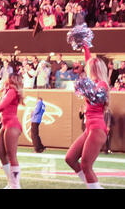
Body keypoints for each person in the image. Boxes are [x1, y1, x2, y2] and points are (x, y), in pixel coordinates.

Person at [65, 45, 110, 189]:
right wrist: (85, 46)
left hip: (97, 128)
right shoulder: (92, 82)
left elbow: (99, 96)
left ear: (94, 70)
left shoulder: (102, 84)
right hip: (89, 128)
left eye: (89, 67)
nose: (86, 69)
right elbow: (89, 59)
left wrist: (87, 90)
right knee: (70, 158)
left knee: (86, 165)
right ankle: (93, 186)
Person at [0, 73, 24, 189]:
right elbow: (1, 108)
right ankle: (11, 182)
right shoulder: (7, 92)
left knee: (12, 156)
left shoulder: (12, 91)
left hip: (12, 125)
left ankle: (15, 186)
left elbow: (2, 107)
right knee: (1, 154)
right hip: (5, 124)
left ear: (11, 80)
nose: (4, 80)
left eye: (7, 79)